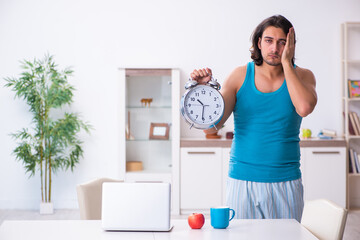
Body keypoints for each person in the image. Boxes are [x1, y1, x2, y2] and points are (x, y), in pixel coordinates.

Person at [190, 15, 317, 222]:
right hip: (242, 180)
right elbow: (210, 129)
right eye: (269, 41)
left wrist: (286, 63)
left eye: (282, 42)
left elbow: (304, 108)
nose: (275, 48)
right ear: (259, 43)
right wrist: (203, 91)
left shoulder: (304, 76)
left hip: (285, 181)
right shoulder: (239, 76)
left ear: (291, 45)